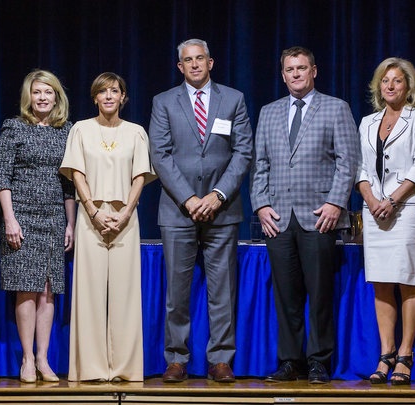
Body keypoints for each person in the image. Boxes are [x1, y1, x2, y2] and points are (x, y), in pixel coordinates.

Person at [250, 46, 359, 384]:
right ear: (282, 75)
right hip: (278, 218)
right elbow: (260, 166)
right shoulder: (269, 112)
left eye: (301, 68)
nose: (296, 74)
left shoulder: (336, 108)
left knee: (320, 293)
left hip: (319, 216)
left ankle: (318, 361)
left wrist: (335, 203)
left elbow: (348, 161)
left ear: (314, 71)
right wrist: (260, 204)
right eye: (289, 69)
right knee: (286, 295)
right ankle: (289, 361)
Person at [148, 38, 253, 383]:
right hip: (179, 211)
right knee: (177, 293)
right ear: (180, 67)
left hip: (222, 210)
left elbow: (242, 154)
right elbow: (160, 156)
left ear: (211, 62)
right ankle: (176, 358)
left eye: (200, 59)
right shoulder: (163, 102)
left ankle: (220, 359)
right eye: (187, 61)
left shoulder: (233, 99)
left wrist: (217, 195)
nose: (194, 65)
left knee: (222, 291)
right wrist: (190, 199)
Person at [59, 72, 156, 382]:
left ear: (123, 97)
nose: (109, 96)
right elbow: (76, 173)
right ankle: (91, 368)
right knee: (89, 294)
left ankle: (125, 368)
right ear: (95, 98)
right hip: (92, 219)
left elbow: (140, 175)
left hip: (125, 219)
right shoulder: (81, 130)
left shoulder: (136, 132)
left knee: (126, 295)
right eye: (103, 92)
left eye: (115, 91)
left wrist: (126, 212)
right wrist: (92, 210)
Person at [356, 58, 415, 385]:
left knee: (407, 280)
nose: (390, 86)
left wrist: (392, 200)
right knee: (381, 281)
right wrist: (373, 201)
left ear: (409, 87)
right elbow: (359, 168)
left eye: (397, 81)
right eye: (385, 81)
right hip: (374, 211)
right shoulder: (366, 122)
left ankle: (406, 354)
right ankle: (386, 354)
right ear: (379, 86)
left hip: (407, 209)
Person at [0, 70, 76, 383]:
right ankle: (27, 359)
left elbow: (69, 184)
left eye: (48, 92)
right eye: (37, 92)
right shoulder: (13, 127)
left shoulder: (67, 130)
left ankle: (43, 358)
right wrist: (9, 219)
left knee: (48, 292)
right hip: (22, 217)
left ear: (57, 97)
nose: (42, 97)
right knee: (26, 290)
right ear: (29, 96)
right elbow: (2, 177)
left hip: (55, 218)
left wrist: (70, 223)